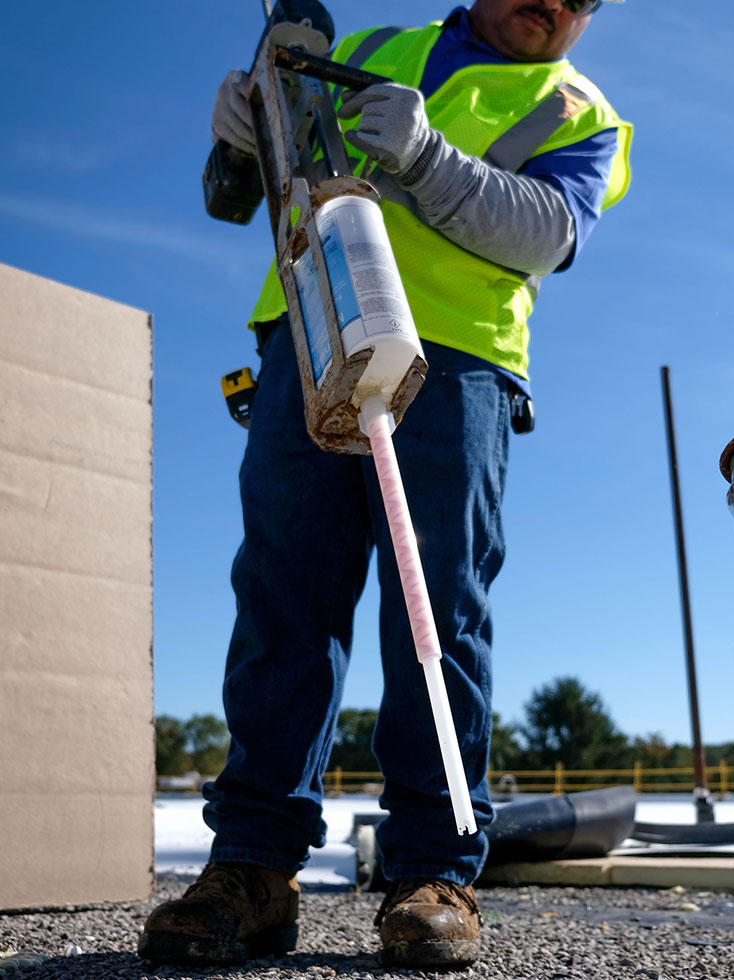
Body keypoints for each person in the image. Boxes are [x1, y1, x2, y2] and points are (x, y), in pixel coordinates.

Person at [139, 0, 631, 968]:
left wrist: (431, 159)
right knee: (283, 591)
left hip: (457, 364)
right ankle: (252, 866)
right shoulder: (362, 51)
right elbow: (233, 194)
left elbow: (544, 233)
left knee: (432, 606)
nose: (552, 5)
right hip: (310, 328)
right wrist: (241, 135)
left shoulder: (581, 111)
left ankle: (432, 868)